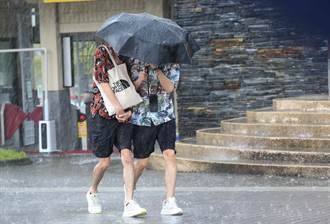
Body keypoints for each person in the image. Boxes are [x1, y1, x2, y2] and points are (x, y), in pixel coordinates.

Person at [86, 44, 146, 217]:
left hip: (124, 115)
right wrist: (117, 107)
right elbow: (103, 83)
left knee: (127, 157)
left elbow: (125, 87)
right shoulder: (102, 52)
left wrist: (140, 79)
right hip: (103, 115)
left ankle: (129, 202)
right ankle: (92, 191)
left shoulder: (124, 57)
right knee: (105, 162)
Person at [127, 58, 183, 216]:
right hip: (142, 117)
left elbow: (171, 88)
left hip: (165, 115)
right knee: (142, 161)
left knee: (170, 154)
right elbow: (130, 90)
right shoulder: (133, 62)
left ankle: (169, 201)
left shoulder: (171, 62)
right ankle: (129, 190)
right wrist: (140, 79)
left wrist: (157, 70)